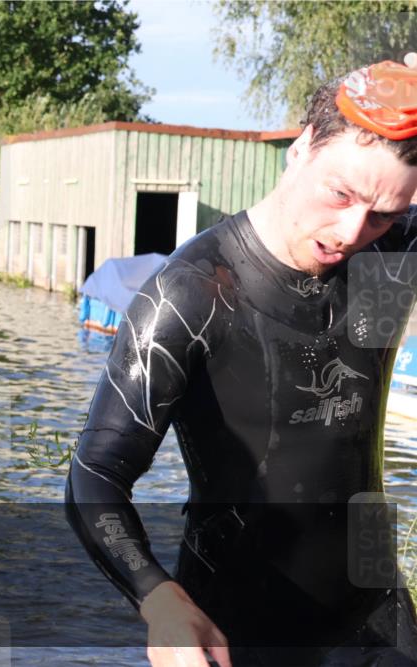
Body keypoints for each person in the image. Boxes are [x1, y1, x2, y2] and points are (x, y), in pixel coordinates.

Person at [65, 59, 417, 666]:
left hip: (377, 617)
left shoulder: (389, 256)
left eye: (384, 212)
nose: (352, 230)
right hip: (234, 625)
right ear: (301, 148)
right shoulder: (193, 294)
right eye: (340, 193)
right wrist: (158, 600)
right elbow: (94, 477)